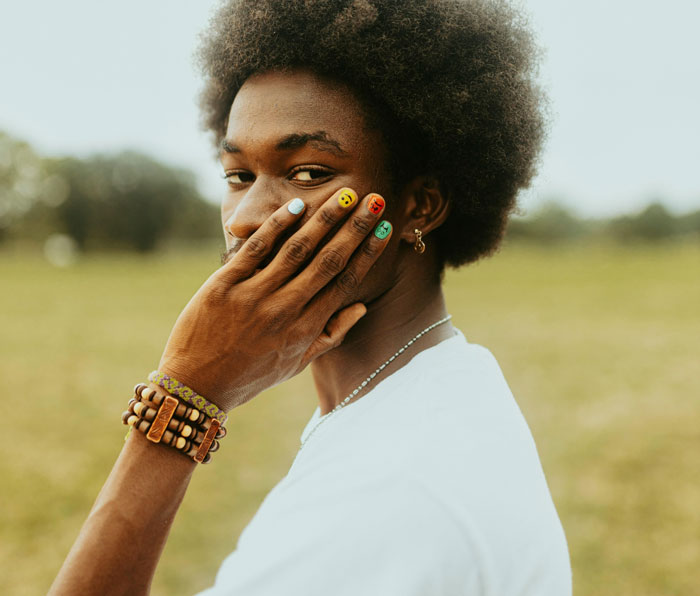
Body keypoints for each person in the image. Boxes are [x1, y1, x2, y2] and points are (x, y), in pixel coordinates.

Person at [50, 0, 571, 594]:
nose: (245, 218)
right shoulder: (434, 389)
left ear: (420, 207)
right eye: (238, 175)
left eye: (307, 172)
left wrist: (185, 397)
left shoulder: (390, 494)